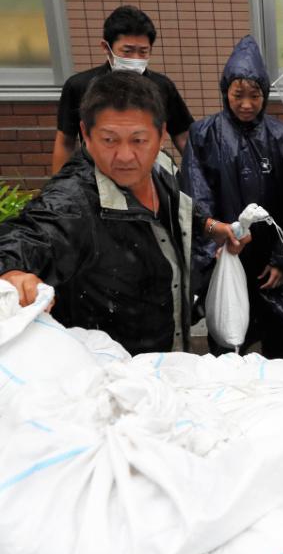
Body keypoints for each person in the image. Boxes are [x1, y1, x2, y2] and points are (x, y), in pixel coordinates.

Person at [0, 71, 232, 354]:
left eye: (138, 140)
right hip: (113, 376)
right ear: (86, 134)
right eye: (109, 140)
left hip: (167, 358)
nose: (125, 156)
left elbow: (177, 205)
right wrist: (12, 273)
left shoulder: (161, 166)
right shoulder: (73, 201)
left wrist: (211, 228)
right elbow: (30, 235)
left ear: (161, 136)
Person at [182, 35, 283, 358]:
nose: (246, 104)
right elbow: (196, 191)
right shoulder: (204, 134)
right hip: (225, 252)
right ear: (226, 93)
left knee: (276, 341)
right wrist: (214, 240)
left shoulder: (282, 137)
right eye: (238, 95)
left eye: (254, 95)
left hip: (267, 258)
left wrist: (281, 260)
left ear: (265, 94)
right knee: (226, 336)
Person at [53, 5, 194, 174]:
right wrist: (58, 187)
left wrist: (200, 181)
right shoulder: (79, 86)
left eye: (143, 52)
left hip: (149, 174)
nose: (136, 59)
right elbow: (65, 142)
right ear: (106, 48)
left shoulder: (162, 86)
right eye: (127, 51)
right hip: (96, 175)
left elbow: (184, 138)